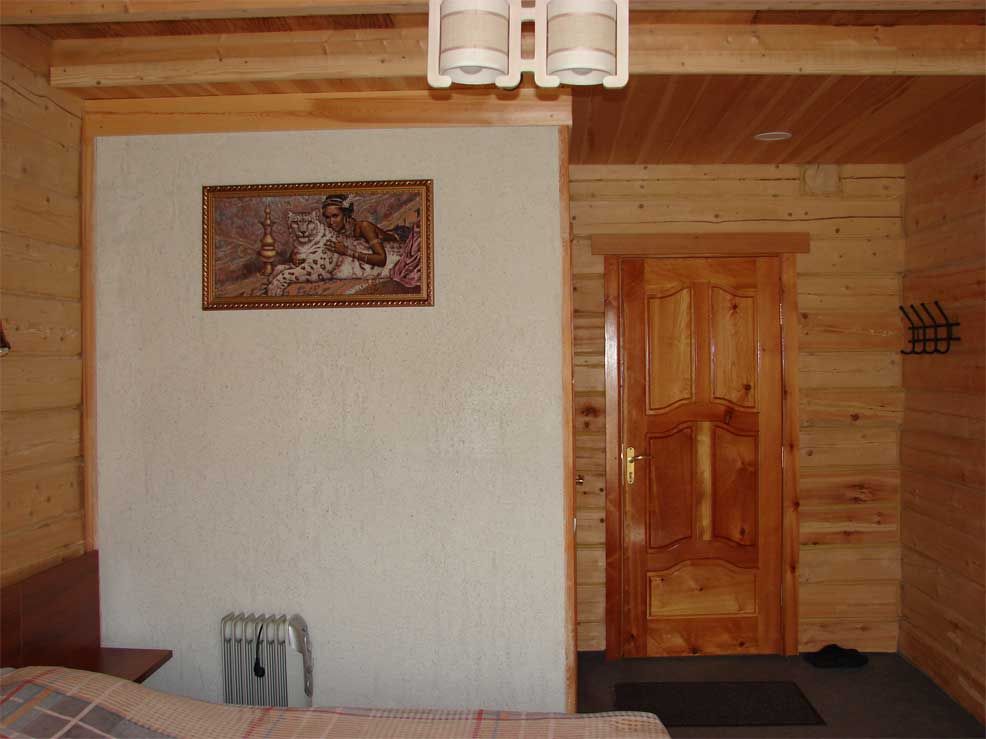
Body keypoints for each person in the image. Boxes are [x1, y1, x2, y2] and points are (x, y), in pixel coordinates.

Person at [321, 194, 399, 269]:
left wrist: (346, 251)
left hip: (400, 237)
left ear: (346, 215)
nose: (331, 222)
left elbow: (382, 259)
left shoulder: (364, 227)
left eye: (335, 216)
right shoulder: (332, 230)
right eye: (327, 217)